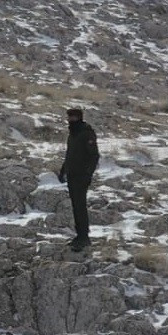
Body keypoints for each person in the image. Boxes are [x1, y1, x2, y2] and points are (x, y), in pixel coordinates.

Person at [57, 107, 100, 251]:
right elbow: (70, 154)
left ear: (79, 117)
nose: (70, 120)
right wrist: (63, 170)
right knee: (76, 205)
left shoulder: (86, 133)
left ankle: (84, 237)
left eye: (73, 117)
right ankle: (79, 235)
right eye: (69, 117)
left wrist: (88, 174)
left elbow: (94, 156)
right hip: (72, 175)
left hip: (81, 176)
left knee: (80, 206)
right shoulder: (72, 134)